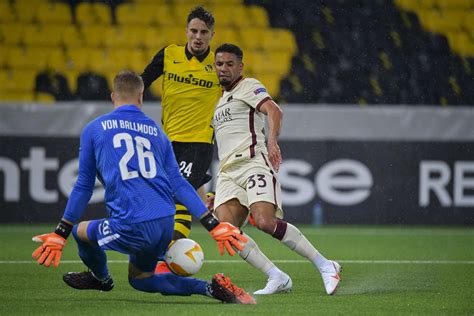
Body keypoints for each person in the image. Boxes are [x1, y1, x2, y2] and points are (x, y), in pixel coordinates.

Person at [31, 70, 255, 305]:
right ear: (141, 97)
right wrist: (213, 225)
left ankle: (100, 278)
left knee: (81, 233)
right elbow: (179, 183)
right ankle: (211, 288)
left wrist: (61, 232)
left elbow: (84, 186)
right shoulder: (158, 133)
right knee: (142, 279)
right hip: (164, 223)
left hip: (132, 223)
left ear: (112, 96)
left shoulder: (94, 129)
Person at [209, 43, 342, 295]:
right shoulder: (218, 102)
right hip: (227, 173)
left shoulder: (247, 86)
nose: (223, 69)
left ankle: (326, 265)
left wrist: (272, 141)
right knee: (226, 230)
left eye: (229, 64)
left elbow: (274, 110)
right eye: (219, 64)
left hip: (251, 162)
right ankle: (276, 276)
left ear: (240, 66)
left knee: (264, 222)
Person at [141, 6, 221, 273]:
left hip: (198, 142)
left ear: (212, 35)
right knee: (171, 197)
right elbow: (141, 82)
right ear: (186, 31)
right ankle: (212, 206)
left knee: (178, 196)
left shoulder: (219, 65)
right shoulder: (169, 54)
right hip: (167, 141)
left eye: (204, 33)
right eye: (194, 31)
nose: (198, 37)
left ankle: (169, 257)